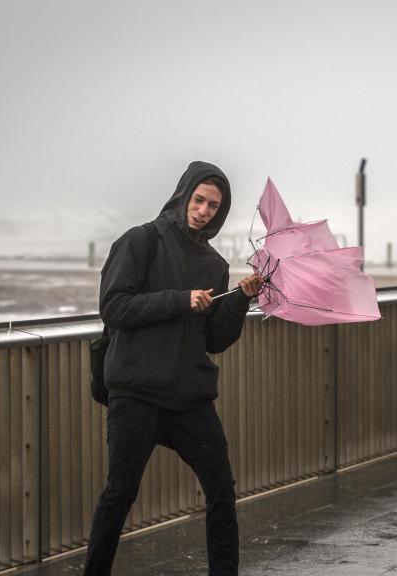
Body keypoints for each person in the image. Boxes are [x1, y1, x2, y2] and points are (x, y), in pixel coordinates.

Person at [85, 161, 262, 575]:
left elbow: (214, 340)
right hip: (137, 391)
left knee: (221, 490)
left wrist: (240, 299)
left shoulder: (214, 265)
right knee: (120, 494)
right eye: (198, 200)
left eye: (214, 206)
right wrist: (179, 299)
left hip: (189, 397)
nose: (204, 211)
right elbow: (113, 307)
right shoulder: (140, 241)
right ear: (183, 195)